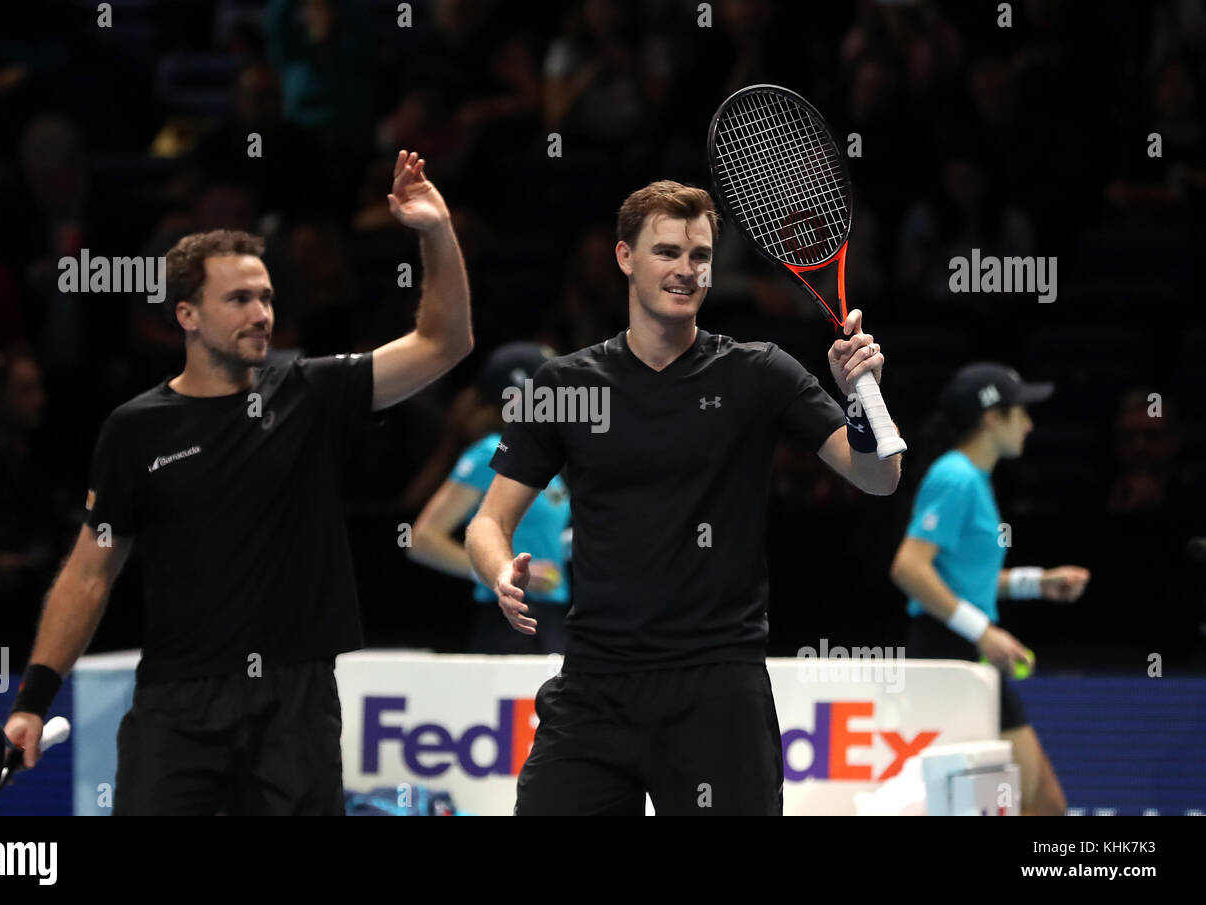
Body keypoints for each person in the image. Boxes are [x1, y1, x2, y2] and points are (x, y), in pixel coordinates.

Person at [4, 150, 473, 815]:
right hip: (176, 702)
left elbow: (445, 341)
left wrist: (434, 231)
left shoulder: (313, 391)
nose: (261, 312)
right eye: (239, 298)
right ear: (188, 315)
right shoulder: (135, 430)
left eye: (267, 297)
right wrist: (32, 701)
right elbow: (89, 571)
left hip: (295, 703)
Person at [464, 180, 900, 815]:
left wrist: (865, 396)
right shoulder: (563, 385)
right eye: (667, 252)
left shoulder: (760, 373)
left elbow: (877, 477)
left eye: (699, 256)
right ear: (624, 258)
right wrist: (499, 570)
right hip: (596, 685)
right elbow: (487, 523)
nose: (686, 270)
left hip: (719, 689)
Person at [889, 362, 1090, 816]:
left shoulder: (973, 478)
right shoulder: (955, 477)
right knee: (1024, 804)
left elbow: (965, 581)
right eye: (1022, 412)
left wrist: (1036, 583)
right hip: (951, 655)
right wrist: (983, 632)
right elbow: (909, 569)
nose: (1031, 423)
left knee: (1045, 803)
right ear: (992, 417)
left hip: (966, 654)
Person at [408, 342, 571, 654]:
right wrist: (498, 573)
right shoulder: (491, 453)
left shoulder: (545, 459)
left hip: (553, 621)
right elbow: (422, 539)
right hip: (510, 625)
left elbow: (541, 538)